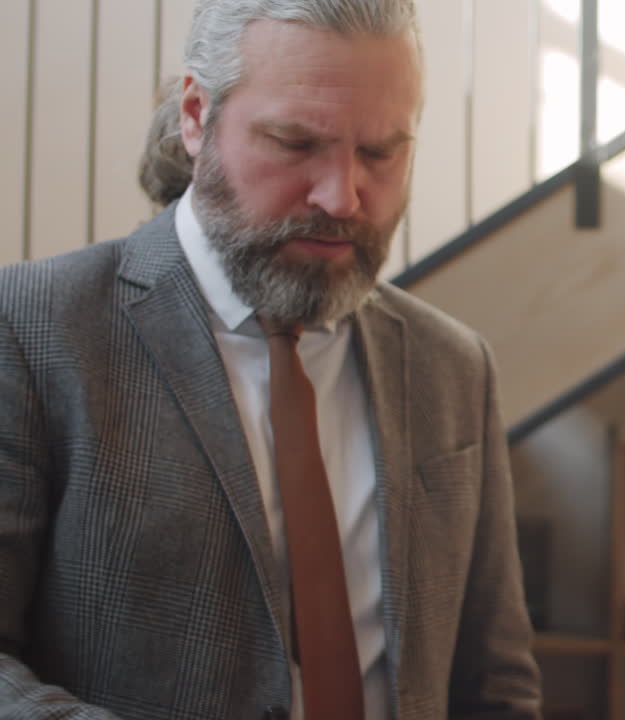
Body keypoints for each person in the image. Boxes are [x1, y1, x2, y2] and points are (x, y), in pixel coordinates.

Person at [0, 1, 541, 719]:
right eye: (294, 142)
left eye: (382, 152)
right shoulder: (33, 328)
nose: (341, 195)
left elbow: (495, 684)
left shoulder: (453, 366)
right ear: (196, 115)